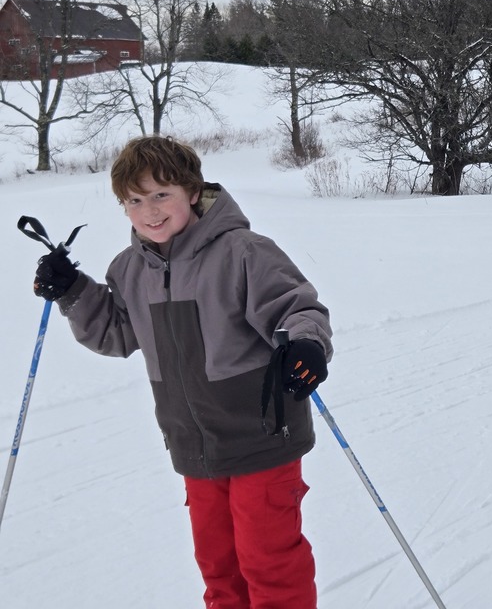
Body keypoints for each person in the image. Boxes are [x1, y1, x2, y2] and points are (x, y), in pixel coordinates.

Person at [32, 136, 333, 609]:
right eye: (133, 200)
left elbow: (295, 306)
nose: (148, 211)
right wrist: (74, 291)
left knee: (268, 561)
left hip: (261, 435)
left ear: (192, 192)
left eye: (160, 194)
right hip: (194, 446)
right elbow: (117, 333)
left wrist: (305, 344)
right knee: (218, 567)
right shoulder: (129, 269)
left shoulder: (243, 252)